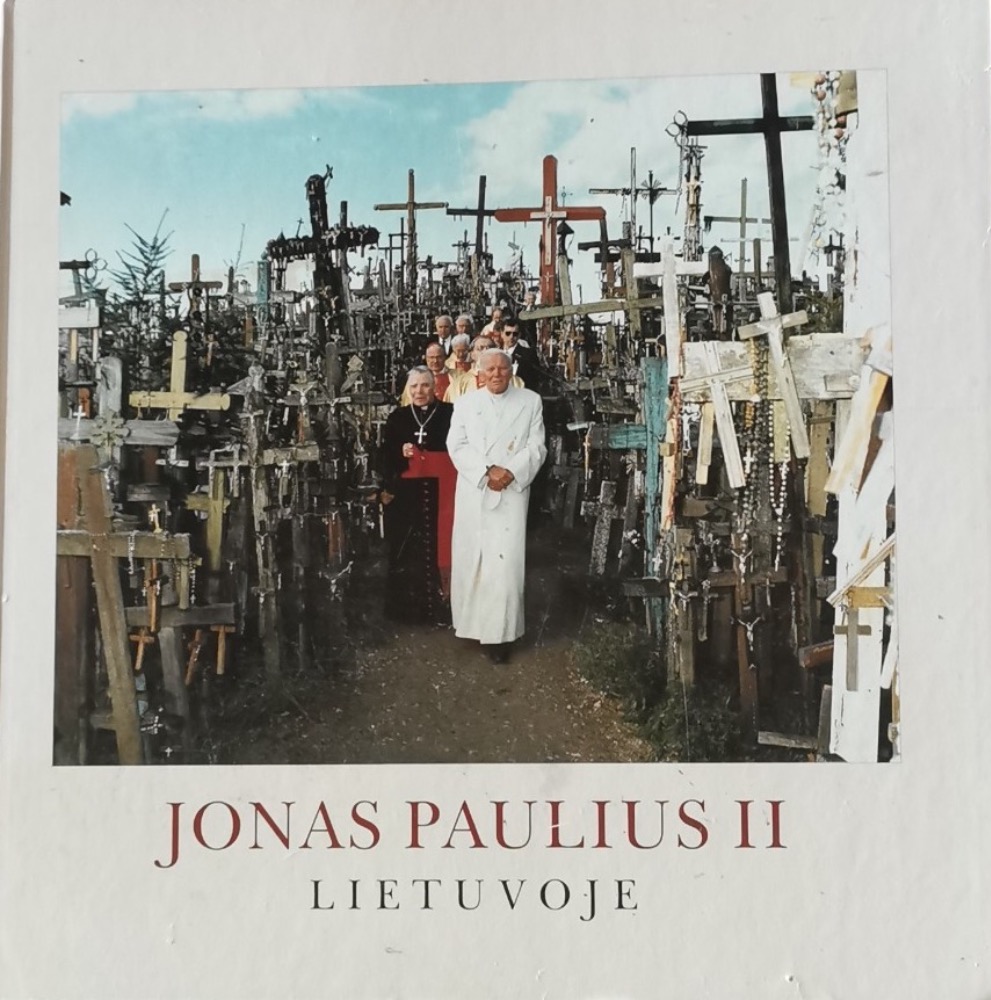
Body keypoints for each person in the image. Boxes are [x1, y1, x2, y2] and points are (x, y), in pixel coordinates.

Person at [447, 349, 547, 662]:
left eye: (502, 369)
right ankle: (472, 626)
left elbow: (537, 446)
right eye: (489, 369)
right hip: (475, 489)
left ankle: (500, 637)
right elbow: (456, 445)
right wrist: (486, 470)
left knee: (505, 566)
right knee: (473, 560)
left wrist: (511, 472)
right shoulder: (465, 404)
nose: (496, 374)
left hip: (511, 493)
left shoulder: (530, 401)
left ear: (511, 370)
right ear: (479, 372)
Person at [380, 367, 457, 625]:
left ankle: (444, 609)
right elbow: (384, 453)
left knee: (442, 546)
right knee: (408, 548)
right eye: (414, 386)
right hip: (408, 495)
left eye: (425, 385)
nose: (419, 391)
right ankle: (409, 612)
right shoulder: (398, 417)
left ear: (434, 387)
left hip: (443, 491)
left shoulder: (450, 413)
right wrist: (399, 451)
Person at [445, 336, 524, 401]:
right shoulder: (460, 383)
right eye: (480, 348)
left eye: (490, 348)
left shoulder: (513, 380)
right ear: (472, 354)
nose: (486, 351)